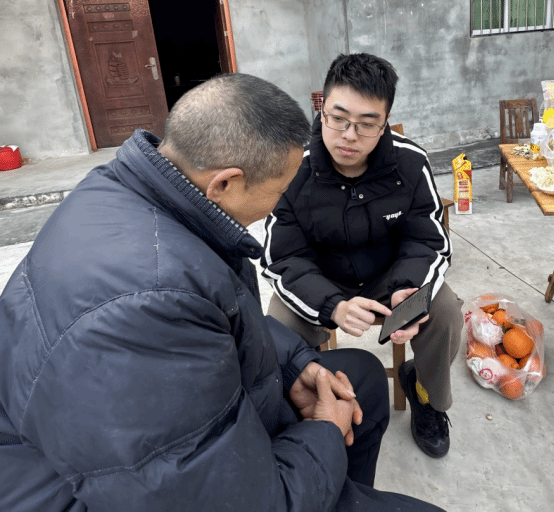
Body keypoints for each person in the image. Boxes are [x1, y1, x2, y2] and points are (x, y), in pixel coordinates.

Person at [0, 74, 444, 512]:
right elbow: (235, 499)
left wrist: (295, 365)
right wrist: (326, 431)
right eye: (278, 192)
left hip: (168, 433)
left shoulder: (123, 191)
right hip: (106, 488)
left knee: (359, 378)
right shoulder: (148, 306)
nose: (349, 135)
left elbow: (219, 315)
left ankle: (340, 485)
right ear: (225, 183)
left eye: (367, 123)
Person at [262, 53, 464, 459]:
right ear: (322, 111)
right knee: (276, 330)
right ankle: (302, 407)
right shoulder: (292, 167)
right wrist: (332, 306)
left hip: (390, 280)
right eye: (338, 118)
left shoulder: (410, 163)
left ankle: (426, 394)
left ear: (384, 123)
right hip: (322, 281)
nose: (349, 135)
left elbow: (427, 241)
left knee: (444, 312)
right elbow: (283, 258)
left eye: (367, 124)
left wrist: (409, 289)